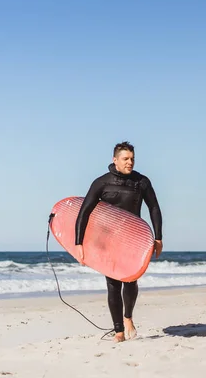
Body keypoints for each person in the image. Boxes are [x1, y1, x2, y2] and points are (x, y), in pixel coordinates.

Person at [74, 141, 163, 343]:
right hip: (108, 241)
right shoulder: (101, 182)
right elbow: (84, 211)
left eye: (132, 159)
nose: (130, 162)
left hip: (133, 239)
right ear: (115, 160)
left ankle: (128, 316)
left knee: (131, 280)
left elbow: (154, 208)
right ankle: (118, 331)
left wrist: (158, 236)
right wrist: (78, 243)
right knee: (113, 284)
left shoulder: (142, 182)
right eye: (125, 159)